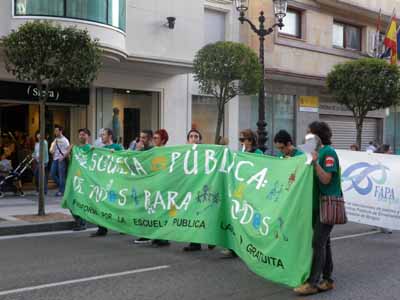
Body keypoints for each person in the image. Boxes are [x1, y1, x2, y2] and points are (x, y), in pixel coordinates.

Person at [294, 121, 341, 295]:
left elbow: (327, 179)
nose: (307, 137)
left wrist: (314, 163)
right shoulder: (317, 152)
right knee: (324, 243)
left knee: (318, 243)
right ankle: (327, 280)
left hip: (327, 204)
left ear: (318, 136)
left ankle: (312, 283)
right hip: (317, 205)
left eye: (310, 134)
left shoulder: (328, 152)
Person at [183, 129, 215, 252]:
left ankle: (211, 239)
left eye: (196, 136)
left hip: (204, 188)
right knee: (193, 215)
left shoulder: (206, 152)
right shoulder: (185, 152)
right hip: (191, 188)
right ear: (188, 139)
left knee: (205, 215)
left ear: (200, 139)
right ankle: (195, 242)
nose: (194, 138)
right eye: (191, 136)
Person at [90, 128, 123, 237]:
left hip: (115, 181)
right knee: (101, 204)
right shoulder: (102, 149)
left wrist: (116, 154)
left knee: (116, 205)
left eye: (103, 135)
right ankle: (102, 228)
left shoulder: (117, 147)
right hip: (104, 181)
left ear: (109, 136)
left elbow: (124, 159)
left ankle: (123, 226)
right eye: (101, 135)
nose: (101, 137)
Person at [133, 130, 156, 244]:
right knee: (142, 210)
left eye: (145, 138)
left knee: (151, 211)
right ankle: (144, 234)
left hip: (152, 185)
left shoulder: (154, 151)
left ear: (150, 139)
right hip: (142, 185)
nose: (142, 140)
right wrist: (137, 151)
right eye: (141, 137)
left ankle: (151, 235)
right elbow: (131, 164)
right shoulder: (139, 150)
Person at [67, 128, 92, 231]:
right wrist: (69, 151)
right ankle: (80, 221)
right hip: (75, 178)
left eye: (83, 134)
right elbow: (71, 161)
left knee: (81, 201)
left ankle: (82, 223)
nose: (81, 136)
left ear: (88, 136)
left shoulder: (90, 148)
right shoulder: (75, 148)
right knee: (70, 200)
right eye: (80, 134)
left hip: (85, 180)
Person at [151, 129, 170, 247]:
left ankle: (164, 237)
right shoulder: (152, 152)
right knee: (155, 211)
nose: (154, 140)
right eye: (153, 138)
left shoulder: (168, 152)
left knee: (163, 211)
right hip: (154, 185)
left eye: (156, 138)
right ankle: (157, 235)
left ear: (163, 140)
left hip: (164, 185)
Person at [49, 125, 70, 197]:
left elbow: (68, 150)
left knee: (62, 176)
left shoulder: (65, 140)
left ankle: (61, 190)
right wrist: (52, 152)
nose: (55, 132)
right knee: (52, 174)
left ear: (61, 131)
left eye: (56, 131)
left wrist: (63, 157)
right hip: (55, 159)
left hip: (61, 160)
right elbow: (53, 149)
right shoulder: (55, 139)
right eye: (55, 131)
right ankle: (63, 186)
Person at [32, 131, 49, 195]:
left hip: (43, 162)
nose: (38, 135)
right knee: (36, 175)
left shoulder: (44, 142)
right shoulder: (36, 143)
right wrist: (33, 155)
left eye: (40, 134)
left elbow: (44, 152)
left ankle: (44, 191)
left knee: (41, 176)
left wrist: (43, 163)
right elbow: (35, 152)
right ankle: (38, 190)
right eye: (37, 134)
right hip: (37, 161)